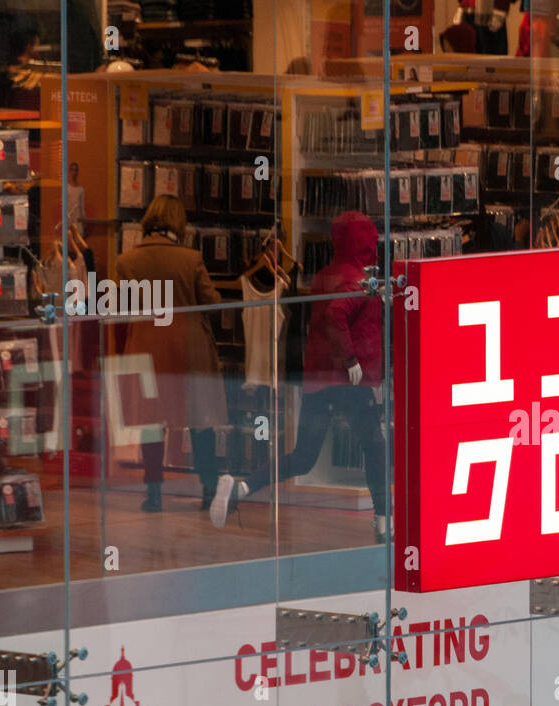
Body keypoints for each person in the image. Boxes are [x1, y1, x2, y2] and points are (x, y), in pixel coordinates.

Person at [211, 211, 387, 542]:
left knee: (304, 456)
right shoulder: (357, 279)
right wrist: (351, 360)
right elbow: (338, 314)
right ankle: (382, 521)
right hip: (349, 381)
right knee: (374, 447)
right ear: (365, 241)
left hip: (319, 381)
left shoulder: (325, 274)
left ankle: (242, 486)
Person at [115, 194, 227, 513]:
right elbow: (213, 303)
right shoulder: (190, 259)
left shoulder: (126, 262)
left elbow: (120, 308)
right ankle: (208, 489)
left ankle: (153, 494)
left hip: (147, 346)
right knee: (199, 419)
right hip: (187, 348)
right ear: (178, 222)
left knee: (152, 423)